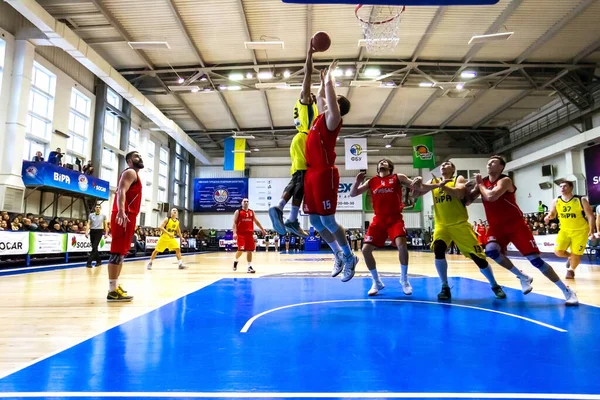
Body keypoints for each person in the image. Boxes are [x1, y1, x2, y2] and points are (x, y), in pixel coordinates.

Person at [472, 155, 578, 306]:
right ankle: (522, 276)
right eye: (488, 161)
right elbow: (468, 200)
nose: (489, 163)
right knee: (491, 251)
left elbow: (491, 196)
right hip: (496, 227)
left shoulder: (505, 180)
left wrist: (479, 185)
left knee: (535, 260)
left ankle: (567, 291)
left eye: (494, 162)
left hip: (516, 225)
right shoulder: (483, 182)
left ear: (501, 167)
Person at [412, 161, 507, 300]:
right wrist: (417, 184)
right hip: (441, 225)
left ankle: (495, 285)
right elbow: (416, 194)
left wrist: (444, 187)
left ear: (453, 169)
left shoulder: (458, 179)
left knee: (478, 257)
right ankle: (444, 287)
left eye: (447, 164)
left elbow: (460, 193)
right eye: (442, 165)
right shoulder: (434, 181)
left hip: (459, 224)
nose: (444, 166)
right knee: (438, 250)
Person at [303, 60, 356, 282]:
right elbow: (321, 96)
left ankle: (350, 256)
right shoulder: (319, 118)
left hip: (325, 173)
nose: (326, 100)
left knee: (329, 222)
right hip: (311, 173)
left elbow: (329, 99)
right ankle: (338, 254)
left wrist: (329, 80)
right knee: (315, 222)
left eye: (332, 99)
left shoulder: (333, 120)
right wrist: (321, 80)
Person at [269, 47, 319, 238]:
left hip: (302, 141)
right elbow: (307, 76)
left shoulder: (310, 107)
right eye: (310, 94)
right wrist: (309, 56)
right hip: (303, 139)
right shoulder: (304, 102)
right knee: (302, 179)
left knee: (301, 180)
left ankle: (285, 212)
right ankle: (286, 214)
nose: (312, 95)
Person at [349, 159, 416, 296]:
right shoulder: (372, 181)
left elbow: (416, 185)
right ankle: (377, 281)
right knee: (365, 250)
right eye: (380, 162)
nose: (382, 163)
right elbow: (353, 193)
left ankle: (404, 280)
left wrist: (421, 181)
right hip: (378, 219)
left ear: (390, 167)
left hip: (395, 218)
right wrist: (357, 182)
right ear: (378, 167)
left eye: (385, 162)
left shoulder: (398, 177)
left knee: (402, 246)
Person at [106, 151, 144, 302]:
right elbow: (121, 190)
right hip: (124, 215)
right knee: (116, 251)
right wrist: (121, 210)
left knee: (121, 252)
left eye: (140, 155)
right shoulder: (130, 172)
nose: (139, 157)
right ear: (129, 161)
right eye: (136, 156)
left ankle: (115, 286)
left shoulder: (134, 174)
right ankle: (112, 291)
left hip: (129, 216)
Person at [544, 181, 595, 279]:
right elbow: (553, 214)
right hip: (564, 230)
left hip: (580, 231)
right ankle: (571, 257)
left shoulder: (581, 199)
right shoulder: (556, 201)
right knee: (558, 252)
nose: (562, 188)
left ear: (571, 188)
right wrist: (548, 216)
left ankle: (571, 270)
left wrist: (591, 231)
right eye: (561, 186)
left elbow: (590, 216)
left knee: (576, 254)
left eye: (565, 186)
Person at [233, 198, 266, 274]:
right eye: (244, 201)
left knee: (249, 250)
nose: (246, 202)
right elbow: (234, 223)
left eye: (247, 201)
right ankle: (235, 260)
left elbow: (256, 222)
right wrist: (234, 233)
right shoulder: (238, 212)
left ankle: (249, 267)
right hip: (241, 234)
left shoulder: (251, 212)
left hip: (249, 234)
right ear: (242, 203)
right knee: (240, 250)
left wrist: (262, 230)